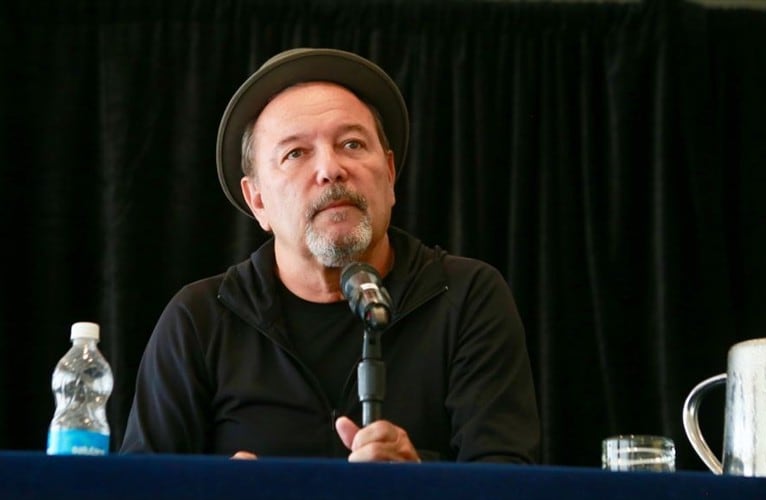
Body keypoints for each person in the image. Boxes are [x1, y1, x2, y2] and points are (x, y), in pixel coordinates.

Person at [120, 48, 540, 463]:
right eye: (296, 153)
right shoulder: (199, 320)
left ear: (390, 174)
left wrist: (418, 484)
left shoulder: (466, 297)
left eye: (353, 144)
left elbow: (509, 480)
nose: (331, 169)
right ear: (258, 201)